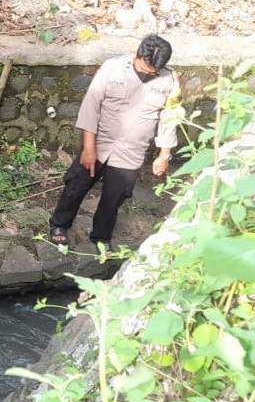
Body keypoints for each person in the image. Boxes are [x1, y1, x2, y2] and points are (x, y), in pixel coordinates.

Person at [49, 34, 181, 247]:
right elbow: (91, 106)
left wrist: (164, 155)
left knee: (114, 198)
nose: (148, 75)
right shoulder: (113, 68)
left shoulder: (170, 80)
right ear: (137, 55)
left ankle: (101, 237)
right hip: (99, 143)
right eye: (144, 70)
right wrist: (88, 147)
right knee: (77, 185)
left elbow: (170, 118)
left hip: (131, 152)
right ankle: (59, 223)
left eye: (153, 73)